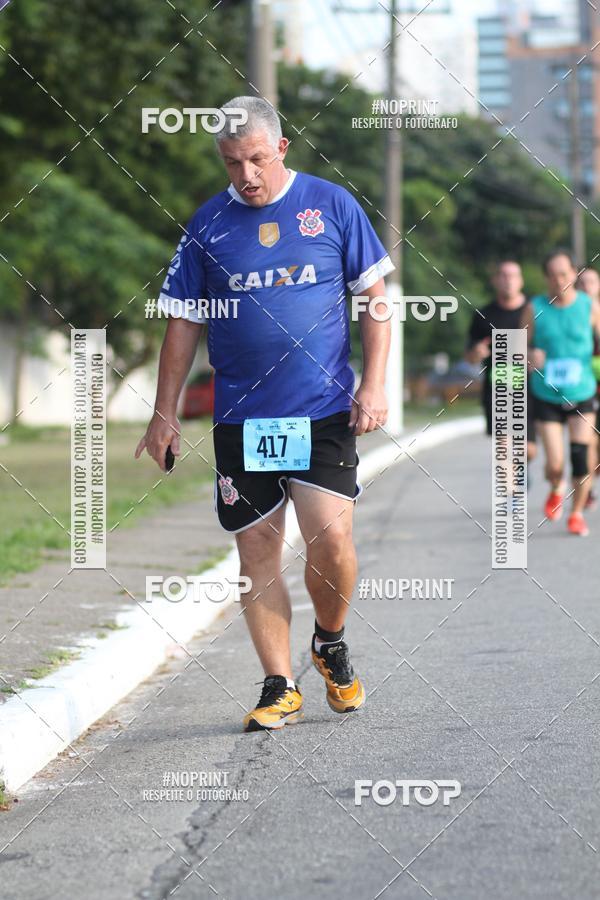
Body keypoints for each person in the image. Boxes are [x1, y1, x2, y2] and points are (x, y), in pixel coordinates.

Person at [136, 96, 394, 731]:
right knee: (256, 552)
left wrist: (376, 383)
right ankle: (279, 684)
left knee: (332, 540)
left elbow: (375, 300)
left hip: (324, 408)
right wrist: (163, 412)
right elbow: (182, 323)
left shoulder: (332, 206)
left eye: (254, 158)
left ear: (281, 148)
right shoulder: (206, 227)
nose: (245, 175)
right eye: (231, 163)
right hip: (243, 419)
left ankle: (328, 640)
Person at [522, 250, 600, 536]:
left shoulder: (589, 307)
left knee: (580, 455)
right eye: (553, 276)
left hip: (582, 392)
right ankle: (556, 486)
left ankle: (577, 513)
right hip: (547, 395)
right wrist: (529, 354)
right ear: (546, 278)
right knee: (555, 464)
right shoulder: (535, 307)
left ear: (574, 275)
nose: (559, 280)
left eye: (564, 274)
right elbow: (516, 347)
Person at [465, 260, 537, 471]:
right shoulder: (483, 315)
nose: (508, 280)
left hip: (529, 388)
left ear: (521, 281)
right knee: (504, 450)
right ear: (495, 280)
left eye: (513, 275)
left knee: (528, 450)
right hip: (498, 389)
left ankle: (521, 468)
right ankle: (512, 495)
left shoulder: (534, 310)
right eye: (503, 275)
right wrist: (476, 353)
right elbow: (469, 354)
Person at [576, 266, 600, 508]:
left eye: (591, 282)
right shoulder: (572, 315)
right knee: (589, 439)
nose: (586, 287)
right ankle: (588, 487)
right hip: (586, 387)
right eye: (581, 283)